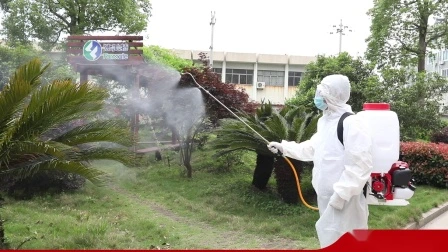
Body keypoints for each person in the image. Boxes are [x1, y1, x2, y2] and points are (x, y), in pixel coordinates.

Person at [267, 74, 373, 248]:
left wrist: (341, 195)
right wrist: (283, 148)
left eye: (321, 93)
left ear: (332, 95)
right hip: (326, 199)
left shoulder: (351, 123)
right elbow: (311, 149)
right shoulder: (325, 122)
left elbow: (360, 165)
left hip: (346, 201)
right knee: (330, 241)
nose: (317, 97)